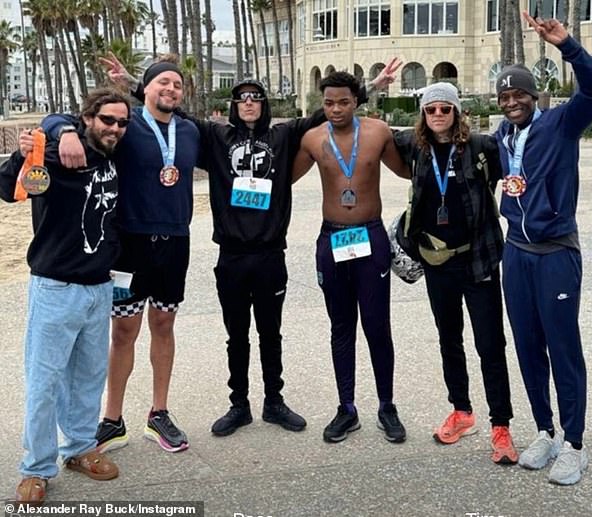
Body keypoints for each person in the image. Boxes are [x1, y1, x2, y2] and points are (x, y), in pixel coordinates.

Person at [104, 55, 401, 437]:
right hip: (231, 254)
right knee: (237, 334)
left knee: (270, 332)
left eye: (256, 97)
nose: (248, 102)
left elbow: (329, 111)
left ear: (264, 104)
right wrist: (133, 81)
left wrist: (373, 87)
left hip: (269, 253)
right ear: (233, 104)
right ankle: (238, 404)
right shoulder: (214, 137)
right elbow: (168, 105)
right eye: (242, 97)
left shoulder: (283, 135)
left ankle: (274, 401)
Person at [42, 55, 200, 453]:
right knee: (124, 332)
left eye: (177, 85)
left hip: (175, 242)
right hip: (129, 245)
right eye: (162, 82)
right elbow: (60, 119)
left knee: (164, 326)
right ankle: (112, 419)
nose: (170, 89)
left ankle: (158, 413)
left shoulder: (191, 130)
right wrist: (64, 133)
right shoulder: (126, 126)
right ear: (144, 89)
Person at [495, 13, 592, 485]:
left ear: (534, 96)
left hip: (556, 252)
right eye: (504, 97)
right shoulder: (504, 136)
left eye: (519, 94)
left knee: (563, 349)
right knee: (527, 347)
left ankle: (576, 443)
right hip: (516, 253)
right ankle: (545, 430)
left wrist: (569, 46)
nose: (512, 102)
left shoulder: (561, 123)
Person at [0, 88, 130, 504]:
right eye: (107, 120)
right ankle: (36, 468)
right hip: (56, 286)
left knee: (89, 377)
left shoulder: (113, 155)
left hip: (99, 287)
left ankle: (78, 448)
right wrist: (28, 153)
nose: (114, 128)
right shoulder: (59, 153)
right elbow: (8, 189)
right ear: (88, 119)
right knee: (45, 380)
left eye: (121, 122)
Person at [391, 82, 518, 464]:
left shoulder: (481, 148)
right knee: (449, 339)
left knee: (490, 344)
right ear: (423, 115)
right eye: (431, 110)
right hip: (437, 264)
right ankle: (462, 412)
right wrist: (373, 88)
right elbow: (371, 130)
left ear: (457, 112)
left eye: (446, 109)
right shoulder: (416, 148)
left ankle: (501, 426)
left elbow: (514, 170)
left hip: (477, 259)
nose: (438, 116)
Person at [292, 71, 410, 443]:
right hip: (333, 240)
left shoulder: (377, 132)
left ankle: (387, 406)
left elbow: (410, 171)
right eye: (328, 103)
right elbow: (283, 179)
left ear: (356, 101)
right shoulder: (312, 139)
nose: (336, 109)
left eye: (343, 102)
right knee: (341, 327)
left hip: (369, 237)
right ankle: (346, 408)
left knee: (377, 326)